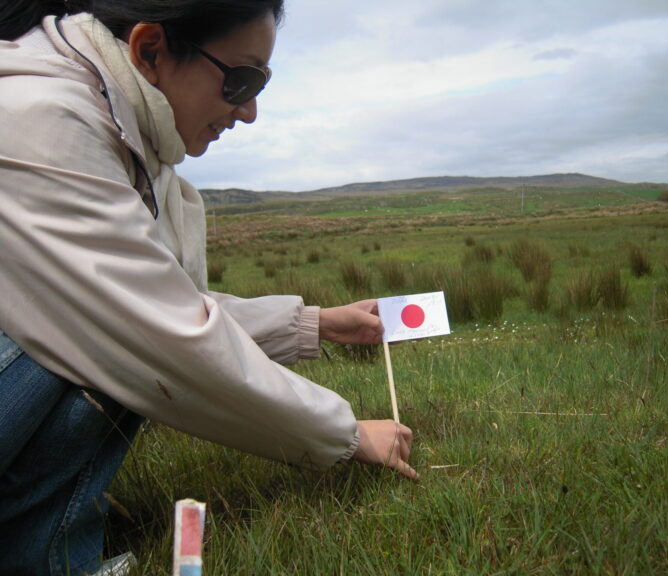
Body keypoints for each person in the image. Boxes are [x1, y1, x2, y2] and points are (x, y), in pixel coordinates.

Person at [0, 1, 418, 574]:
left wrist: (314, 324)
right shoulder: (44, 119)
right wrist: (346, 433)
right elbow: (157, 332)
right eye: (241, 80)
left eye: (261, 85)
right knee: (96, 354)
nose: (248, 111)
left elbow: (152, 300)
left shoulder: (108, 118)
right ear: (149, 51)